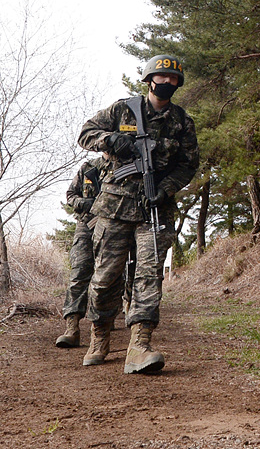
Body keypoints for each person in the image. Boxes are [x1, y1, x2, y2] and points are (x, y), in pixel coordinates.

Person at [77, 54, 199, 374]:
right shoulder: (122, 110)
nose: (167, 84)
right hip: (115, 207)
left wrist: (166, 187)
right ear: (149, 80)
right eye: (162, 78)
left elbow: (188, 165)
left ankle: (139, 345)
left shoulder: (182, 122)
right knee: (105, 280)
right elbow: (85, 133)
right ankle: (100, 334)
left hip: (154, 208)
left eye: (173, 80)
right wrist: (111, 139)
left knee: (148, 276)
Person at [55, 155, 110, 348]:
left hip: (113, 226)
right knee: (79, 271)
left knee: (111, 274)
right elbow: (70, 195)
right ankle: (72, 327)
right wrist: (85, 204)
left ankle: (106, 322)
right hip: (86, 224)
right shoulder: (88, 167)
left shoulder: (123, 166)